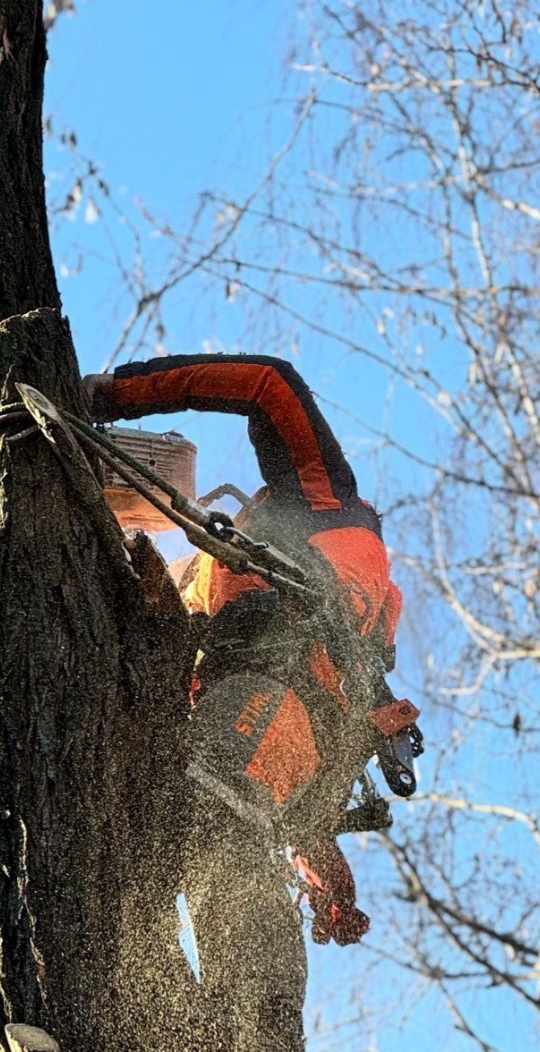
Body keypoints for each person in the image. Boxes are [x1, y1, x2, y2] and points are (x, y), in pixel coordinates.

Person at [84, 353, 421, 950]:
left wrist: (111, 394)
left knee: (154, 883)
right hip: (239, 781)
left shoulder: (324, 501)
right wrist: (326, 882)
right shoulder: (361, 641)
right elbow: (314, 782)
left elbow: (267, 384)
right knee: (220, 932)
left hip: (226, 750)